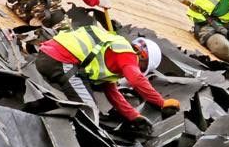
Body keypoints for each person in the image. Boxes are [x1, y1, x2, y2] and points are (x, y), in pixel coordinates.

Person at [34, 24, 179, 126]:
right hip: (61, 61)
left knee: (81, 99)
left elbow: (112, 92)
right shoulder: (128, 55)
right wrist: (161, 102)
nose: (137, 69)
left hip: (46, 56)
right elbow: (136, 80)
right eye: (141, 68)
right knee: (89, 112)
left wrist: (133, 116)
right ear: (142, 57)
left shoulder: (113, 53)